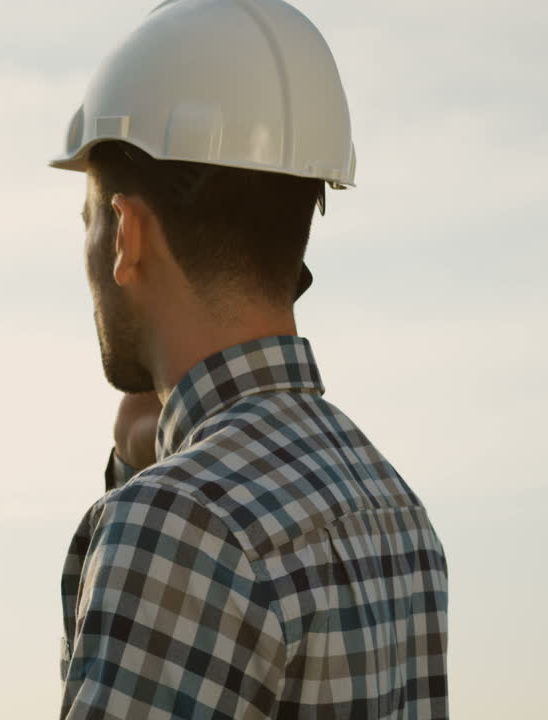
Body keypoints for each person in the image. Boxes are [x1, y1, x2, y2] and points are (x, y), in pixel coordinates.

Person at [49, 1, 449, 718]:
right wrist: (142, 461)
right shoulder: (395, 507)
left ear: (128, 236)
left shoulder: (178, 523)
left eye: (91, 220)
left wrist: (149, 492)